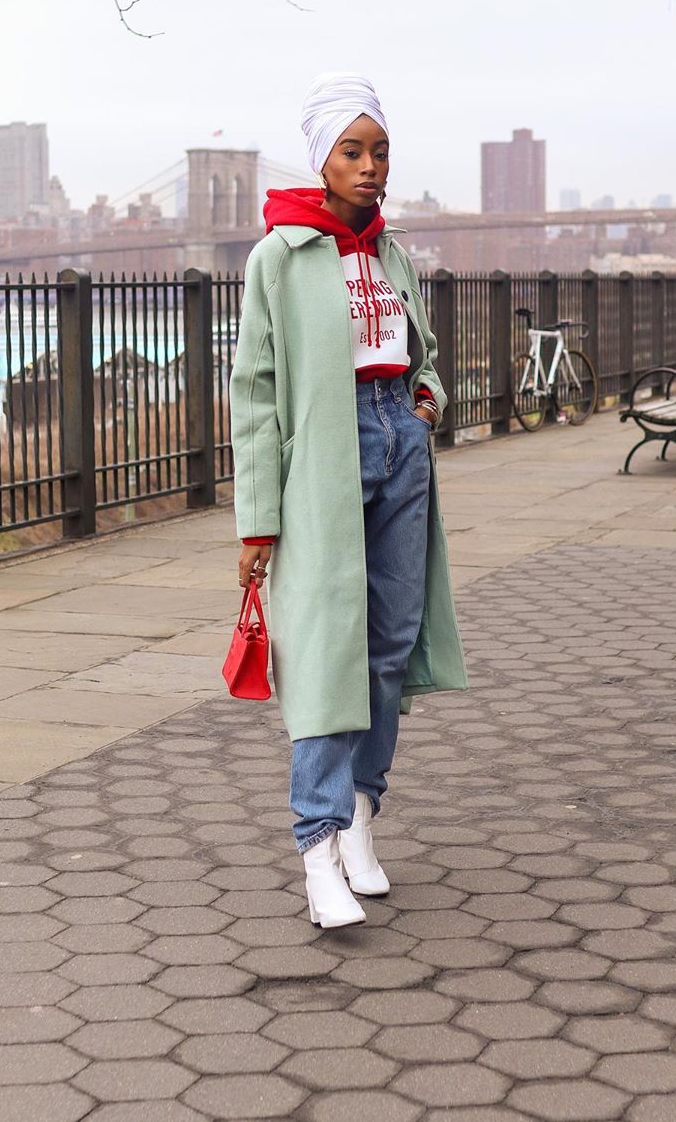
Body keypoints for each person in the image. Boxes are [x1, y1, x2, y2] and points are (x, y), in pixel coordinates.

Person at [228, 73, 468, 930]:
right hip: (326, 458)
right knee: (327, 648)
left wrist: (427, 402)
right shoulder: (280, 257)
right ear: (321, 161)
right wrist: (258, 519)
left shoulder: (391, 253)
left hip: (399, 440)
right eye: (352, 152)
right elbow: (254, 392)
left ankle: (363, 815)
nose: (370, 167)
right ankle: (318, 844)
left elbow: (421, 352)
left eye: (380, 152)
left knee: (390, 642)